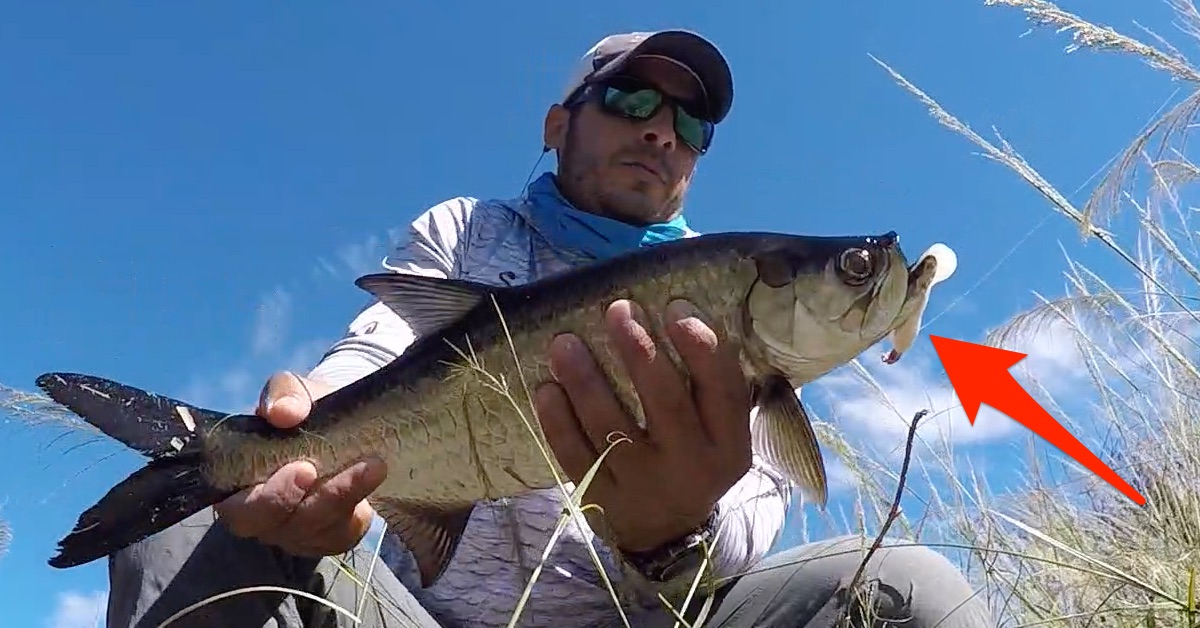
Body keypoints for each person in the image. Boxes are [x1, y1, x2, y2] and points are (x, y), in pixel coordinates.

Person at [105, 29, 996, 628]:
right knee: (185, 525)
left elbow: (748, 526)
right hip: (420, 617)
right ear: (559, 122)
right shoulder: (469, 230)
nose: (664, 134)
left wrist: (670, 530)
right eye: (634, 102)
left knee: (913, 590)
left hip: (652, 619)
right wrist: (296, 446)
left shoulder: (730, 305)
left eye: (691, 123)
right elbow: (374, 353)